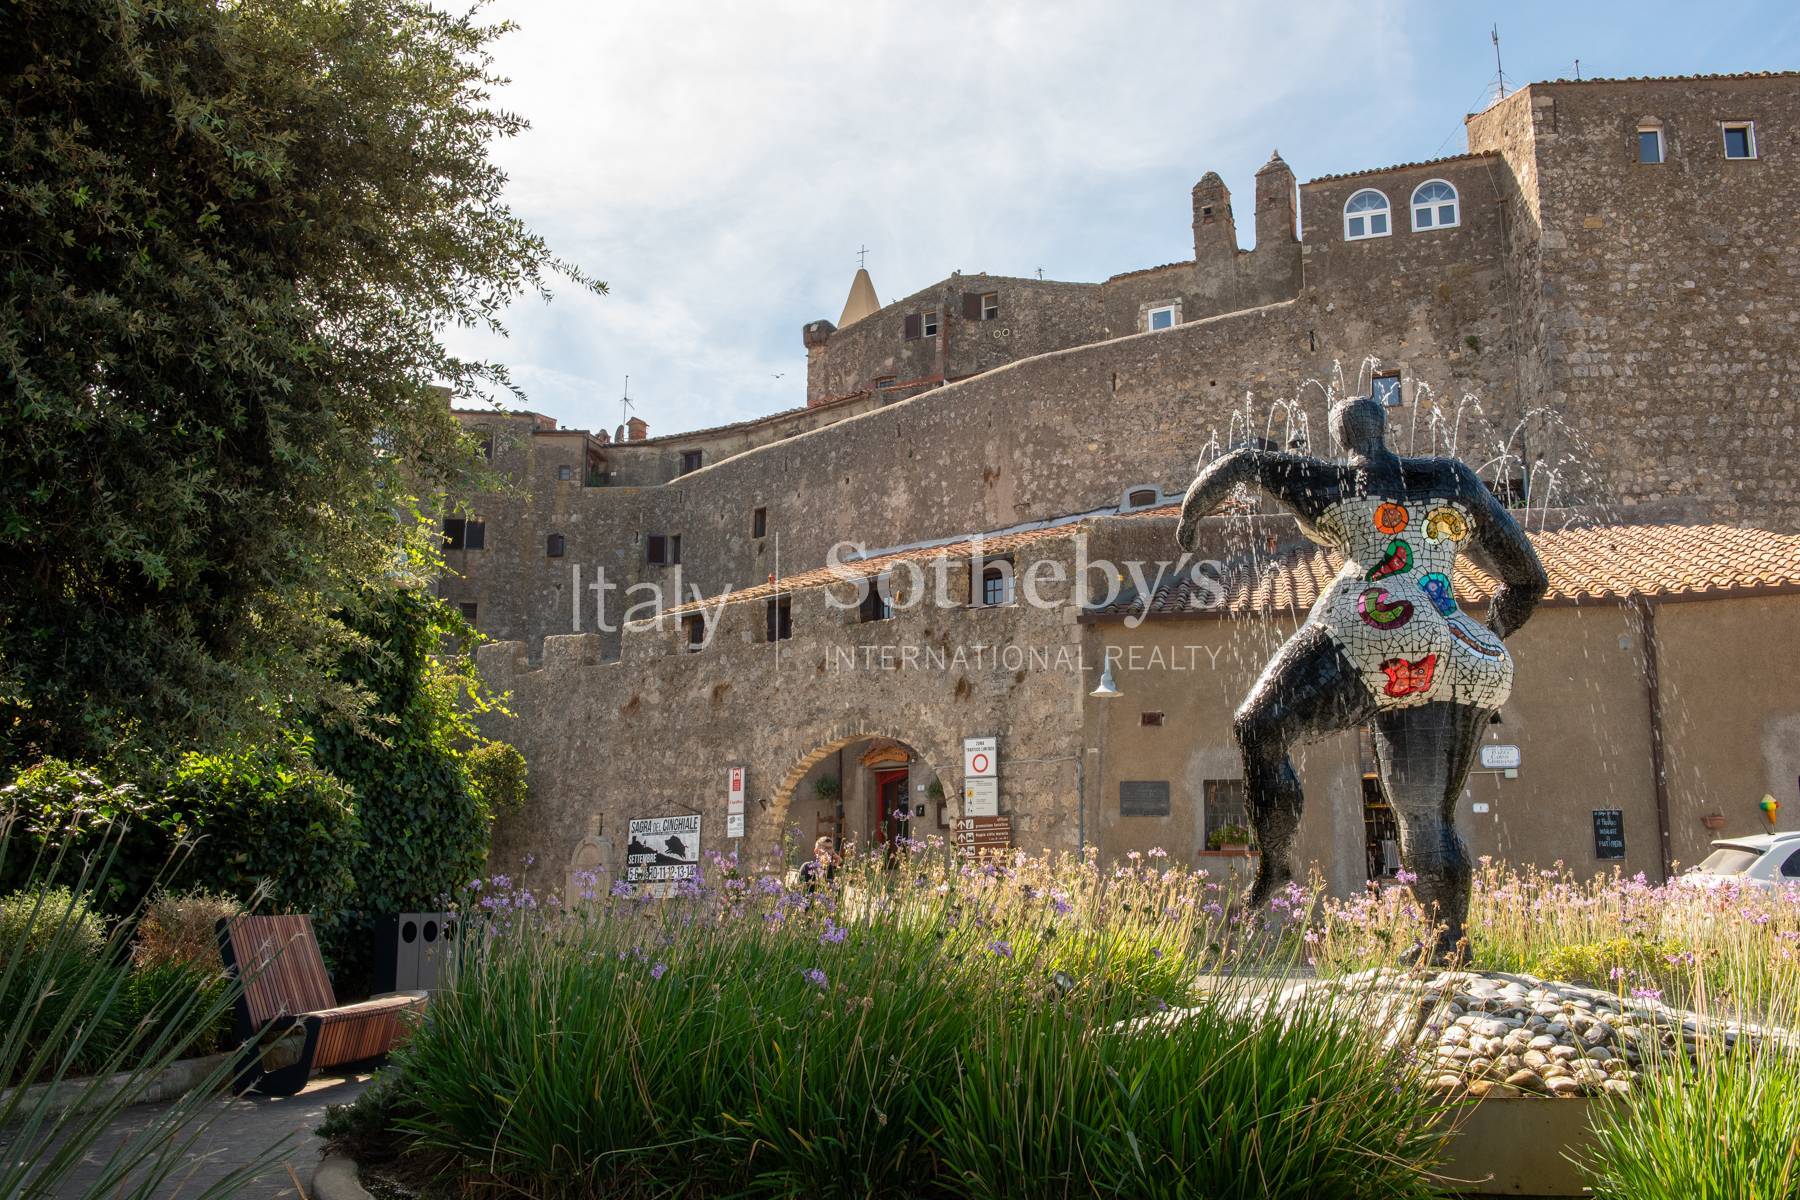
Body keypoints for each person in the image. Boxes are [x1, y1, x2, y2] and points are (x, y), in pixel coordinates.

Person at [1177, 395, 1548, 960]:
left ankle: (1275, 865)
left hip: (1376, 622)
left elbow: (1243, 464)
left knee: (1258, 727)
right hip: (1462, 647)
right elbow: (1529, 580)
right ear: (1386, 427)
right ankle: (1447, 944)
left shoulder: (1342, 479)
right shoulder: (1453, 477)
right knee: (1427, 817)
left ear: (1342, 436)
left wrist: (1190, 513)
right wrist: (1489, 632)